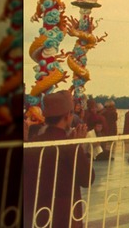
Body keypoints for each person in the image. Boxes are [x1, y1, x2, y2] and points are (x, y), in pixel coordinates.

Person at [23, 90, 95, 228]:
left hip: (35, 215)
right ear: (68, 116)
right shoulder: (68, 145)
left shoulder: (33, 144)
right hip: (64, 216)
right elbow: (87, 179)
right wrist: (77, 146)